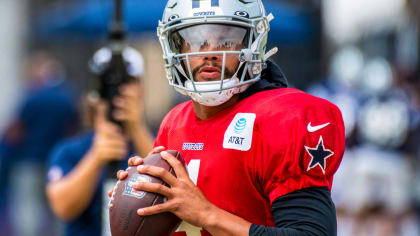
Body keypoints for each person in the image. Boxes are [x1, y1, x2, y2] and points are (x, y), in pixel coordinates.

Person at [114, 0, 345, 235]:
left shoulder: (285, 117)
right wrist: (139, 196)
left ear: (252, 43)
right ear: (176, 49)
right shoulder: (174, 122)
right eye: (196, 40)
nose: (211, 52)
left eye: (226, 40)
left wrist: (207, 214)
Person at [46, 47, 154, 236]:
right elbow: (62, 207)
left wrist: (137, 128)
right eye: (108, 85)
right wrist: (96, 156)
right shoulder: (71, 150)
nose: (118, 91)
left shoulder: (156, 141)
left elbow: (170, 188)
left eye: (128, 82)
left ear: (141, 89)